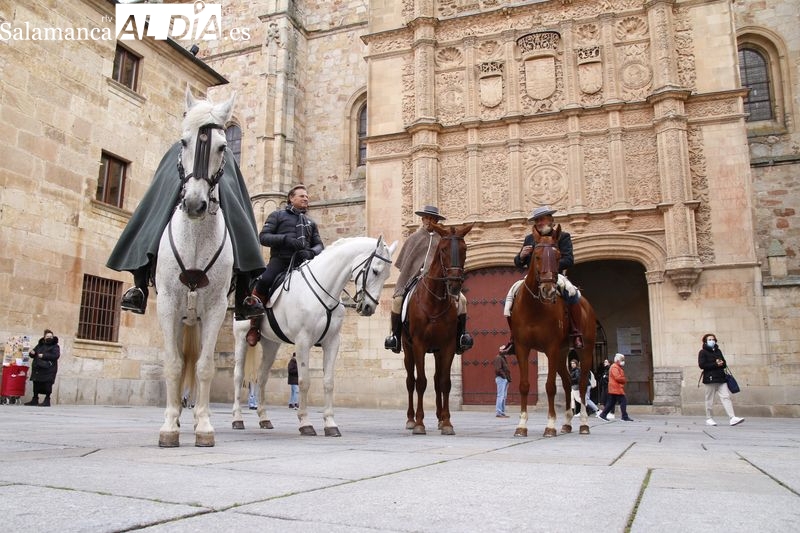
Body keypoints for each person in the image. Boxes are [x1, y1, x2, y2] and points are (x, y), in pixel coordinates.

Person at [106, 142, 266, 320]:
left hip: (215, 179)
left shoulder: (223, 150)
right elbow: (165, 176)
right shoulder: (180, 147)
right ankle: (139, 285)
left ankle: (243, 294)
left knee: (237, 214)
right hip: (185, 179)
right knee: (156, 211)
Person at [384, 205, 473, 355]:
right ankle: (395, 337)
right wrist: (417, 273)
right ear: (423, 219)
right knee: (397, 301)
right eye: (427, 218)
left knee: (462, 301)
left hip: (440, 281)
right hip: (414, 278)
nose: (429, 221)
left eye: (433, 218)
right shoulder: (414, 238)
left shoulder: (442, 238)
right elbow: (405, 263)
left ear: (437, 220)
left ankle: (461, 336)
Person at [499, 205, 583, 355]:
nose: (539, 222)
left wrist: (550, 266)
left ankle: (575, 332)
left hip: (555, 276)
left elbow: (569, 260)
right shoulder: (529, 239)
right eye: (537, 220)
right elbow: (518, 263)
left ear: (551, 220)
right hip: (533, 277)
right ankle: (513, 338)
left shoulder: (562, 236)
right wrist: (522, 256)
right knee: (510, 296)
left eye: (542, 219)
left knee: (573, 293)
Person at [246, 185, 324, 346]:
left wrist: (310, 253)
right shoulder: (277, 215)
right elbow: (264, 237)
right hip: (281, 260)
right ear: (291, 198)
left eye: (307, 197)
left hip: (304, 263)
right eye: (302, 196)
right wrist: (285, 240)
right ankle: (254, 325)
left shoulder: (310, 222)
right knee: (264, 281)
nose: (306, 199)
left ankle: (318, 328)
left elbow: (319, 246)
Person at [698, 333, 744, 426]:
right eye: (709, 339)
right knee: (709, 399)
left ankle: (732, 417)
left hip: (721, 378)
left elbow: (724, 363)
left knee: (726, 397)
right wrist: (716, 364)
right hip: (710, 379)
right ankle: (709, 418)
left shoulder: (718, 351)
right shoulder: (702, 352)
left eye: (713, 339)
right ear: (705, 341)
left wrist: (721, 363)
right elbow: (702, 365)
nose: (712, 341)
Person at [24, 329, 60, 407]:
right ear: (44, 337)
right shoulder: (40, 345)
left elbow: (56, 356)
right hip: (38, 368)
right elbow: (33, 354)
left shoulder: (55, 346)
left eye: (51, 336)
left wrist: (44, 356)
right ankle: (35, 399)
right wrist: (32, 353)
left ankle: (47, 400)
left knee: (47, 384)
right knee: (36, 383)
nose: (49, 337)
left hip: (49, 369)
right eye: (47, 336)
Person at [597, 353, 633, 421]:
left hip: (614, 388)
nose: (623, 361)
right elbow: (618, 377)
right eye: (622, 360)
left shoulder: (616, 367)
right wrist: (624, 379)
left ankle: (603, 414)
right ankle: (624, 416)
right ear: (618, 360)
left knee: (611, 402)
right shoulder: (614, 367)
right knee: (623, 401)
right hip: (616, 388)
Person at [493, 351, 512, 417]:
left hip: (505, 379)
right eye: (506, 352)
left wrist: (507, 379)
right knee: (500, 395)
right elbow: (498, 369)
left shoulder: (503, 358)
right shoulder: (498, 358)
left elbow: (506, 369)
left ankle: (502, 412)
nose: (507, 354)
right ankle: (498, 412)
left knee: (504, 396)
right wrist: (504, 376)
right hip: (501, 379)